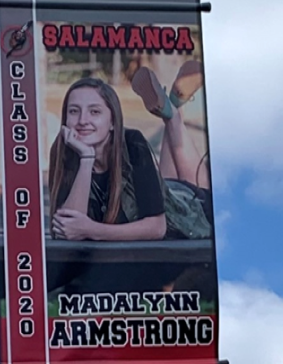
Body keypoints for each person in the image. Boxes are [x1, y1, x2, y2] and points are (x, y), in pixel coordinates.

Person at [48, 78, 167, 241]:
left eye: (94, 112)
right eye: (74, 111)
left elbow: (157, 227)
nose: (82, 121)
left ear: (112, 121)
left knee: (177, 186)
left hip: (189, 213)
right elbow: (66, 229)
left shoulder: (132, 142)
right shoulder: (62, 149)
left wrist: (92, 230)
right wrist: (86, 158)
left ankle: (172, 116)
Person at [130, 61, 214, 240]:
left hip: (167, 204)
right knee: (191, 194)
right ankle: (173, 108)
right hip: (178, 207)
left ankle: (172, 111)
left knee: (181, 191)